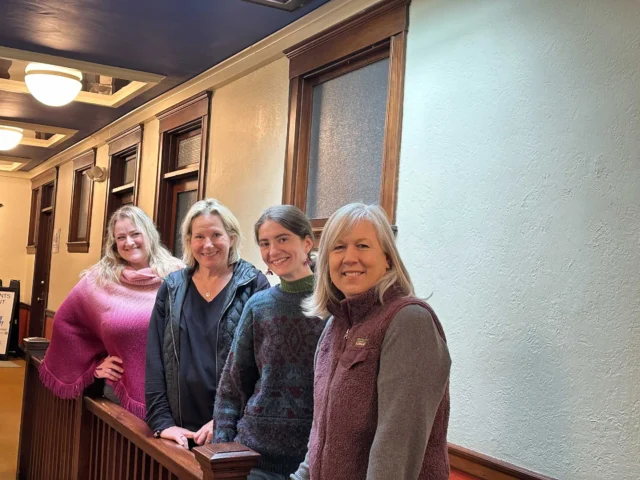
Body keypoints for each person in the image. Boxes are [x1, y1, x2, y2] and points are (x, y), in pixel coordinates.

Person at [291, 203, 452, 480]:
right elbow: (321, 432)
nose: (349, 258)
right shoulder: (335, 324)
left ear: (388, 257)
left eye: (363, 246)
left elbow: (396, 448)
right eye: (338, 247)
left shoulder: (409, 321)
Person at [146, 198, 270, 448]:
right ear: (189, 241)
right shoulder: (171, 288)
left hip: (232, 434)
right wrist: (162, 422)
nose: (208, 244)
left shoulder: (254, 286)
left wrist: (224, 421)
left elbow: (265, 369)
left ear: (232, 238)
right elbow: (155, 360)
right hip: (179, 432)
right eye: (199, 237)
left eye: (216, 235)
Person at [213, 205, 325, 479]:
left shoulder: (331, 305)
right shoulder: (258, 305)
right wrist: (223, 449)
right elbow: (232, 385)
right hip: (255, 458)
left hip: (315, 460)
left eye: (283, 238)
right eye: (265, 243)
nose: (273, 250)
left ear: (307, 242)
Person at [39, 206, 183, 419]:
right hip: (120, 398)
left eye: (135, 234)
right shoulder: (99, 280)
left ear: (149, 234)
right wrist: (94, 366)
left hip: (175, 395)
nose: (129, 242)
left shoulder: (179, 275)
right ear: (114, 243)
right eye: (121, 237)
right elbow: (66, 323)